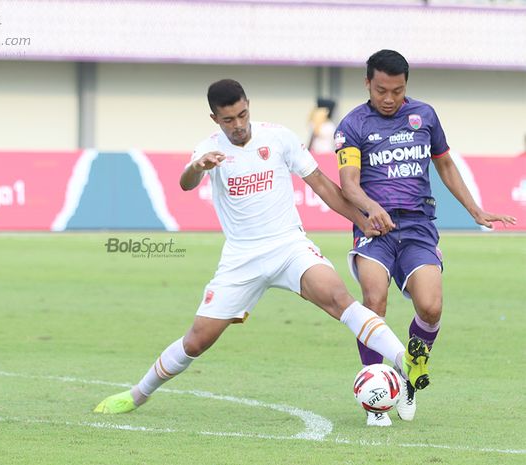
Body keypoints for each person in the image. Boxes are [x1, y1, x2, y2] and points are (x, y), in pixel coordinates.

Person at [94, 79, 431, 419]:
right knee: (197, 340)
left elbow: (326, 189)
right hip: (242, 258)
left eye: (243, 115)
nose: (238, 125)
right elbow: (186, 182)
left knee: (340, 300)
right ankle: (137, 395)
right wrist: (198, 166)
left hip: (289, 246)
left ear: (248, 105)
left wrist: (363, 218)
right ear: (215, 119)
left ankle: (406, 362)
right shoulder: (207, 149)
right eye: (229, 120)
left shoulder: (279, 137)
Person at [336, 49, 517, 426]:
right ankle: (375, 395)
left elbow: (445, 164)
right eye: (382, 90)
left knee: (431, 308)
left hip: (418, 227)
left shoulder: (425, 116)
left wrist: (475, 210)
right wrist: (371, 208)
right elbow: (348, 184)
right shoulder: (352, 125)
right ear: (367, 83)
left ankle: (407, 379)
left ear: (406, 86)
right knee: (374, 299)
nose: (389, 99)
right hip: (375, 230)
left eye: (397, 91)